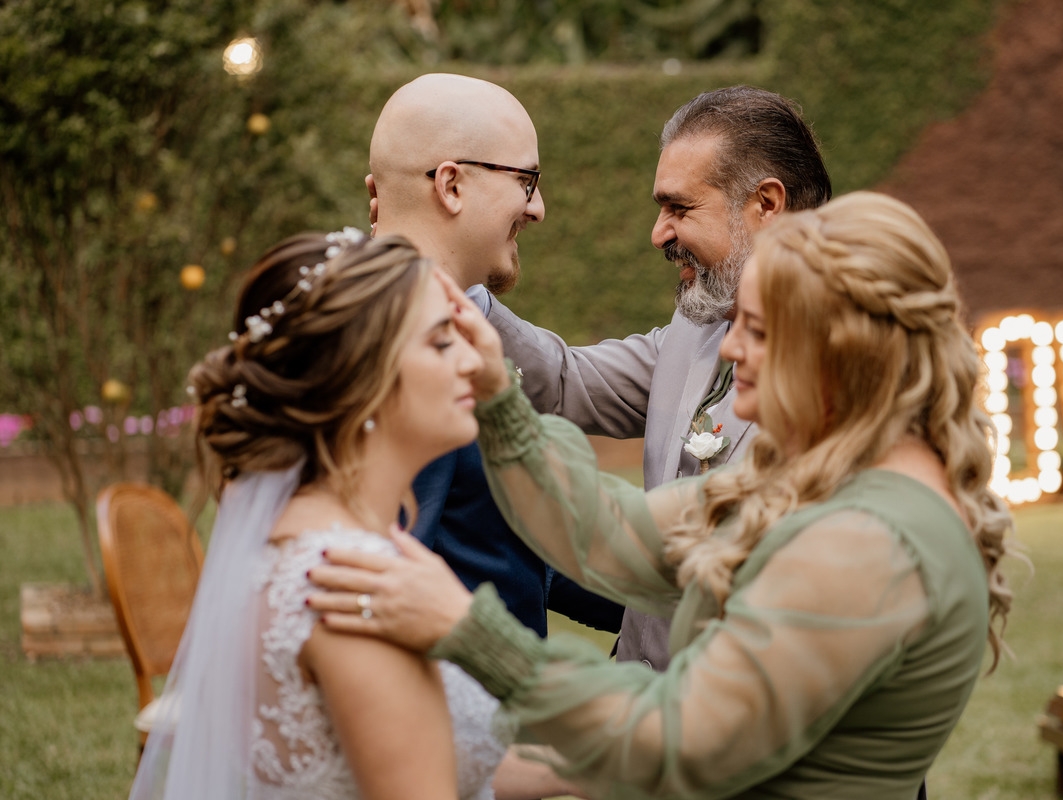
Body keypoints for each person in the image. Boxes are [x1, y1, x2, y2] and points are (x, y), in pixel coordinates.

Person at [308, 192, 1015, 799]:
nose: (730, 349)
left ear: (843, 352)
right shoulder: (819, 479)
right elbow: (612, 534)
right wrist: (499, 396)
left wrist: (469, 630)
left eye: (758, 330)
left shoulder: (868, 542)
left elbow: (680, 739)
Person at [129, 231, 581, 800]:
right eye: (443, 342)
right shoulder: (360, 587)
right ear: (359, 381)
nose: (475, 358)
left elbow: (421, 755)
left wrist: (588, 764)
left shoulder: (293, 544)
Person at [480, 85, 832, 669]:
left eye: (680, 208)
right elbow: (569, 381)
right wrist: (464, 302)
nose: (658, 233)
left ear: (766, 204)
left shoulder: (857, 371)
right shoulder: (698, 327)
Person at [368, 72, 623, 638]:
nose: (538, 208)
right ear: (451, 185)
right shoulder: (409, 345)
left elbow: (491, 540)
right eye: (527, 180)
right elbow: (391, 564)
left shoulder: (448, 323)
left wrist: (661, 611)